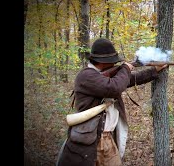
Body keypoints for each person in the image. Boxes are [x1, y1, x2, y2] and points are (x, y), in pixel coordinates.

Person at [57, 38, 167, 166]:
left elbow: (129, 80)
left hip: (107, 138)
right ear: (102, 62)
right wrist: (125, 68)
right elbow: (114, 88)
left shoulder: (104, 76)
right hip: (91, 140)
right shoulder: (86, 76)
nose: (114, 64)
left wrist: (155, 70)